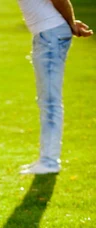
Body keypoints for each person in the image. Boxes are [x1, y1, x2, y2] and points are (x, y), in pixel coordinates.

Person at [18, 0, 93, 175]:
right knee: (46, 100)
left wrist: (72, 23)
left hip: (50, 34)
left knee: (50, 101)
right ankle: (46, 158)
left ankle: (49, 161)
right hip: (47, 33)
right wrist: (71, 23)